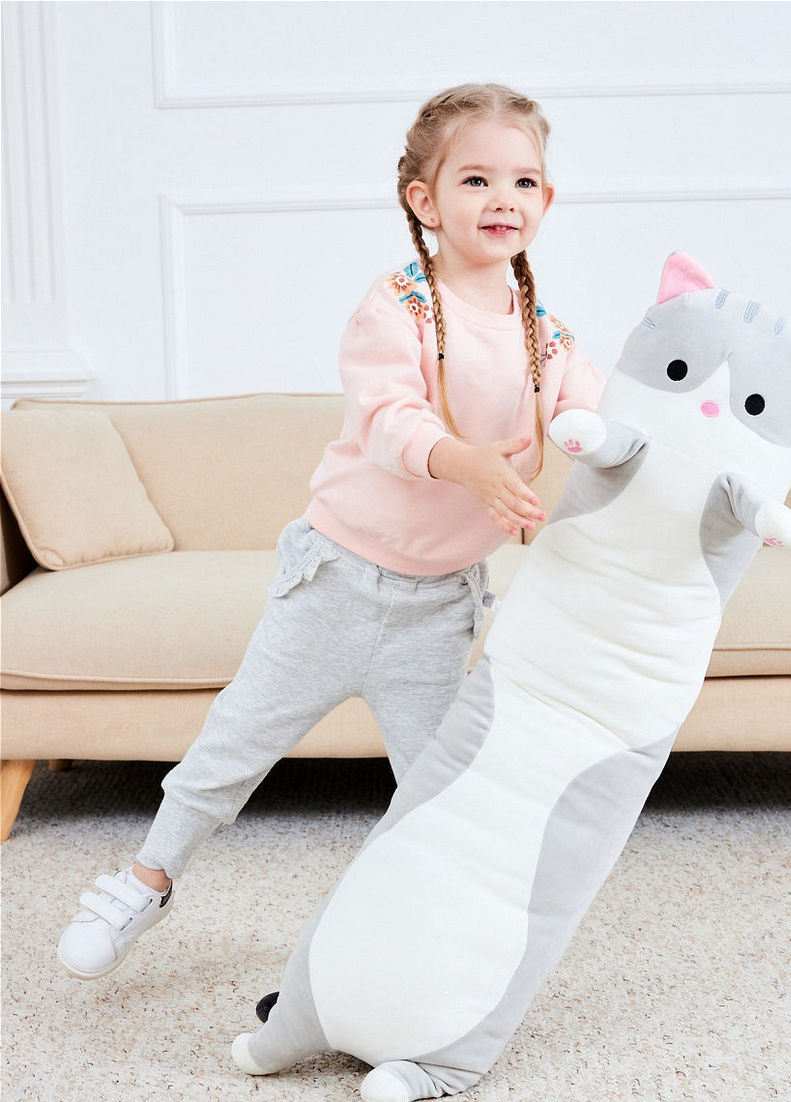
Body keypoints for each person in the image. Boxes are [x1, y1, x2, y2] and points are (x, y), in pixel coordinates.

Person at [57, 82, 605, 981]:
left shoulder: (547, 335)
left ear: (545, 199)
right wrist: (464, 463)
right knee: (231, 747)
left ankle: (416, 938)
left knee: (436, 788)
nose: (502, 198)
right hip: (336, 583)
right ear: (426, 201)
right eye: (475, 180)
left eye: (522, 181)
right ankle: (146, 880)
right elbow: (389, 420)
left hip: (439, 610)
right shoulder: (396, 306)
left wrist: (611, 439)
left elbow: (590, 411)